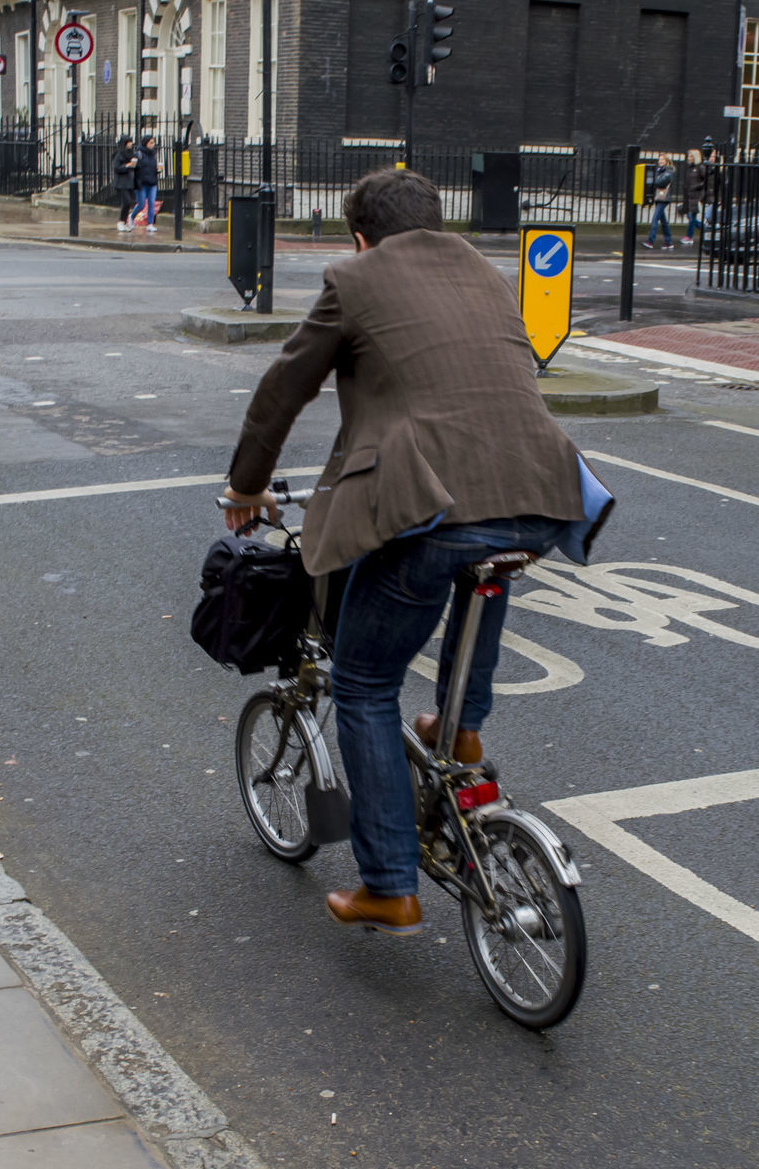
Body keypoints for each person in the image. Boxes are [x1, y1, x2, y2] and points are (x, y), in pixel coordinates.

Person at [221, 168, 612, 935]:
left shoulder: (355, 277)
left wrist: (246, 489)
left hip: (436, 501)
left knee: (364, 684)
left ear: (361, 237)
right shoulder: (483, 272)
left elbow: (285, 388)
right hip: (542, 490)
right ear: (436, 223)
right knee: (485, 568)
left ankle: (390, 884)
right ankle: (462, 729)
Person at [641, 153, 675, 250]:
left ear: (667, 161)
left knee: (655, 219)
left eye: (662, 160)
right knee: (663, 221)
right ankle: (668, 242)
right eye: (659, 159)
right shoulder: (659, 170)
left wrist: (653, 180)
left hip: (664, 198)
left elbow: (659, 182)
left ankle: (650, 241)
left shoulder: (669, 171)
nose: (660, 161)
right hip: (658, 197)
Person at [128, 134, 161, 233]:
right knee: (141, 204)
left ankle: (150, 224)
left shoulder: (154, 154)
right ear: (146, 143)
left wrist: (158, 170)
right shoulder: (138, 154)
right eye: (151, 143)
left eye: (153, 142)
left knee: (151, 203)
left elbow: (153, 168)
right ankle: (132, 216)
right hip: (141, 183)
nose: (153, 144)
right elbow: (134, 168)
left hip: (152, 182)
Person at [112, 136, 138, 231]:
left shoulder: (131, 154)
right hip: (121, 182)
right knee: (126, 201)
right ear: (125, 143)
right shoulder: (119, 155)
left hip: (130, 182)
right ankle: (120, 221)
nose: (131, 143)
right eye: (129, 142)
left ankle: (124, 222)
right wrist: (127, 166)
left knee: (129, 202)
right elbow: (117, 168)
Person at [680, 149, 706, 245]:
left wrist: (697, 186)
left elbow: (706, 181)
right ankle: (706, 229)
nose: (689, 158)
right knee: (690, 216)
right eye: (688, 156)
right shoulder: (690, 168)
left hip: (696, 196)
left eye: (691, 156)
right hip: (688, 196)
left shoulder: (701, 168)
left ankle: (689, 236)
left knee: (691, 217)